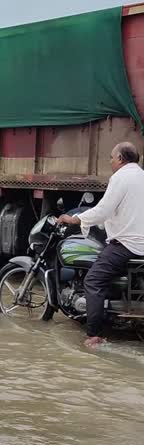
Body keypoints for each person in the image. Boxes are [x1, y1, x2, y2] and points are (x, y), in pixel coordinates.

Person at [58, 141, 144, 348]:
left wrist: (75, 219)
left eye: (112, 158)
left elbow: (103, 210)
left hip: (126, 245)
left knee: (93, 281)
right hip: (140, 245)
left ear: (121, 159)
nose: (111, 162)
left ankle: (94, 335)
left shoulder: (120, 177)